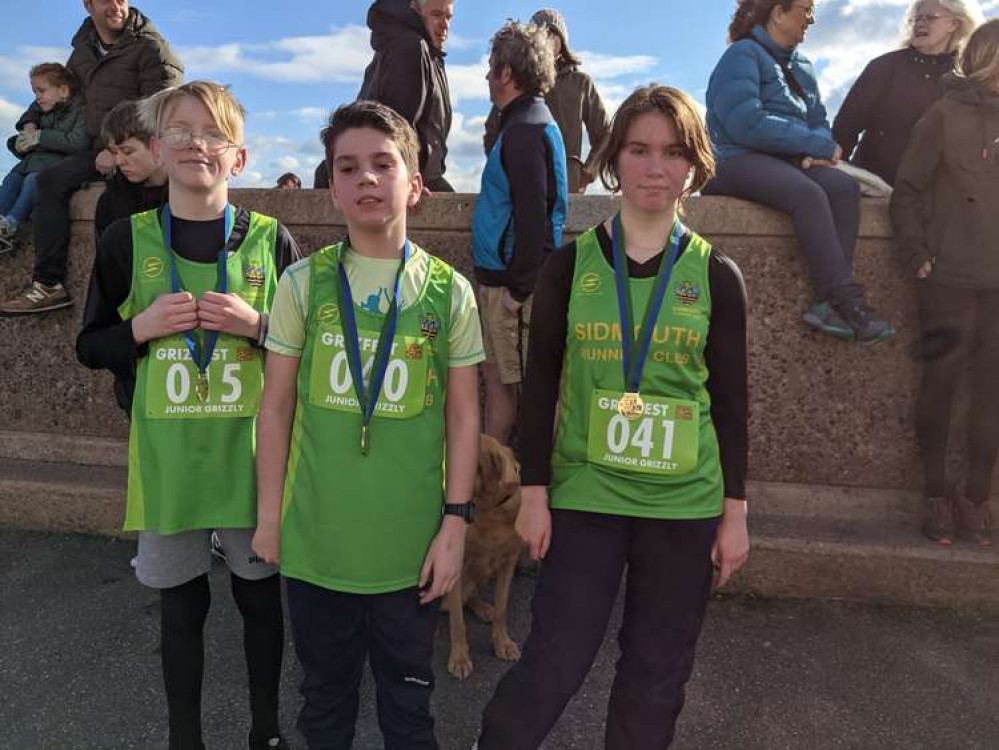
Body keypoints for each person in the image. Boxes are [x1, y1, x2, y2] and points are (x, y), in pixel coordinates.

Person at [474, 84, 749, 750]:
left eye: (671, 151)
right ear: (613, 159)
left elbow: (732, 403)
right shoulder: (570, 266)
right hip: (586, 494)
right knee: (555, 661)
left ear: (692, 165)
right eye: (638, 149)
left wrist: (734, 515)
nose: (654, 167)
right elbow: (539, 387)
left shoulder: (717, 277)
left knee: (656, 674)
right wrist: (533, 494)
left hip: (683, 504)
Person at [76, 81, 301, 750]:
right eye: (179, 131)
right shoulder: (126, 241)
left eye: (213, 134)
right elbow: (89, 345)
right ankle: (185, 738)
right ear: (155, 147)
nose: (195, 143)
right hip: (171, 467)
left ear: (239, 157)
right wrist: (140, 326)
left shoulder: (272, 239)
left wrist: (260, 326)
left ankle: (265, 730)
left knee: (261, 604)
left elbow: (305, 351)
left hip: (252, 465)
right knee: (181, 610)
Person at [252, 100, 483, 750]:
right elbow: (275, 408)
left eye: (383, 164)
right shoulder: (300, 284)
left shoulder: (448, 291)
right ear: (332, 188)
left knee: (409, 713)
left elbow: (464, 413)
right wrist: (269, 518)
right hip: (317, 546)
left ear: (415, 183)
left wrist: (455, 525)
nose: (366, 180)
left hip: (409, 553)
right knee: (323, 707)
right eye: (348, 167)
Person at [703, 0, 893, 344]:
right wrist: (812, 145)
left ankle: (826, 303)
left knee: (843, 188)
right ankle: (847, 300)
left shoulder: (804, 64)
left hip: (788, 161)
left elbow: (819, 121)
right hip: (736, 160)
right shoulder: (742, 56)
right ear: (778, 12)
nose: (812, 19)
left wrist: (820, 149)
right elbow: (745, 123)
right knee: (808, 194)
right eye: (805, 9)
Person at [890, 19, 999, 548]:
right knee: (939, 387)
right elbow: (905, 191)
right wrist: (918, 257)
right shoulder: (942, 115)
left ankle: (977, 499)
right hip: (947, 280)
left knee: (992, 396)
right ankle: (936, 492)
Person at [0, 0, 182, 315]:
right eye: (105, 0)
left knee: (115, 206)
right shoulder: (83, 48)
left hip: (137, 150)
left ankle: (132, 297)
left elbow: (164, 107)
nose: (116, 5)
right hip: (93, 148)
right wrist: (29, 122)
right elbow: (61, 91)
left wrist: (117, 148)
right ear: (88, 5)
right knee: (48, 180)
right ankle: (49, 284)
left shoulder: (152, 48)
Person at [473, 20, 568, 445]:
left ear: (506, 72)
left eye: (492, 66)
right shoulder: (527, 123)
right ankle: (496, 492)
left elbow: (537, 217)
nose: (488, 76)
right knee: (503, 389)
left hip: (514, 291)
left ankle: (522, 497)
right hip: (508, 285)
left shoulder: (524, 130)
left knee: (519, 394)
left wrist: (518, 289)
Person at [833, 0, 984, 185]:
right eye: (916, 18)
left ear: (953, 23)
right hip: (876, 182)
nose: (920, 23)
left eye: (930, 17)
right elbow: (845, 127)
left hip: (936, 191)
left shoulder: (968, 77)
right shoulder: (884, 67)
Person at [483, 8, 609, 195]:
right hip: (522, 186)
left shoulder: (581, 83)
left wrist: (588, 172)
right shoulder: (518, 80)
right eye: (541, 33)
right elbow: (492, 130)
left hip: (568, 188)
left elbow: (606, 135)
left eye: (552, 34)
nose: (546, 39)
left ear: (562, 43)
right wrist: (504, 171)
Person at [358, 0, 455, 192]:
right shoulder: (410, 47)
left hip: (418, 177)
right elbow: (395, 126)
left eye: (448, 16)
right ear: (415, 11)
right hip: (408, 180)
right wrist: (407, 181)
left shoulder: (427, 52)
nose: (445, 25)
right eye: (436, 15)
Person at [0, 63, 88, 255]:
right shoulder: (40, 109)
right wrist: (18, 144)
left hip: (55, 165)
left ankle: (11, 224)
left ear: (63, 90)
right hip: (30, 163)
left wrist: (41, 137)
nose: (37, 97)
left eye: (41, 90)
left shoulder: (80, 109)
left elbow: (78, 142)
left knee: (34, 180)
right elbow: (26, 130)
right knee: (11, 180)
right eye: (34, 92)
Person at [94, 98, 168, 243]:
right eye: (114, 152)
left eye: (127, 151)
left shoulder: (186, 197)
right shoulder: (109, 201)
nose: (118, 161)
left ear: (157, 146)